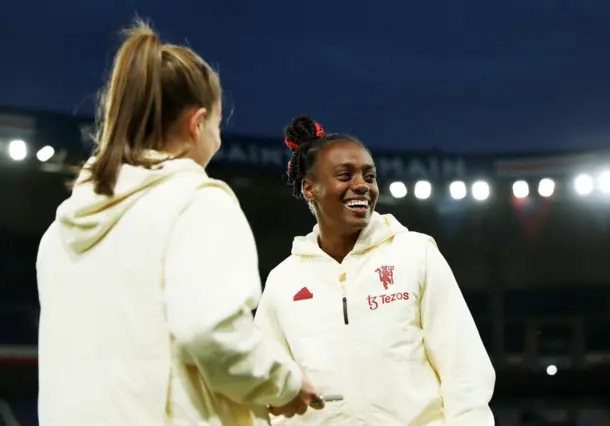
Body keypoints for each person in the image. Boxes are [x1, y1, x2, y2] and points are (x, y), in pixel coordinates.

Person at [36, 21, 323, 426]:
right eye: (218, 125)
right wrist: (285, 383)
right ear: (197, 123)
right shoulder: (197, 203)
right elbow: (210, 331)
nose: (218, 138)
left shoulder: (59, 232)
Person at [254, 116, 496, 425]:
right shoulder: (283, 281)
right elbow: (264, 388)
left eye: (369, 176)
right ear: (309, 188)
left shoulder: (415, 253)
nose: (362, 186)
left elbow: (463, 367)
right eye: (345, 175)